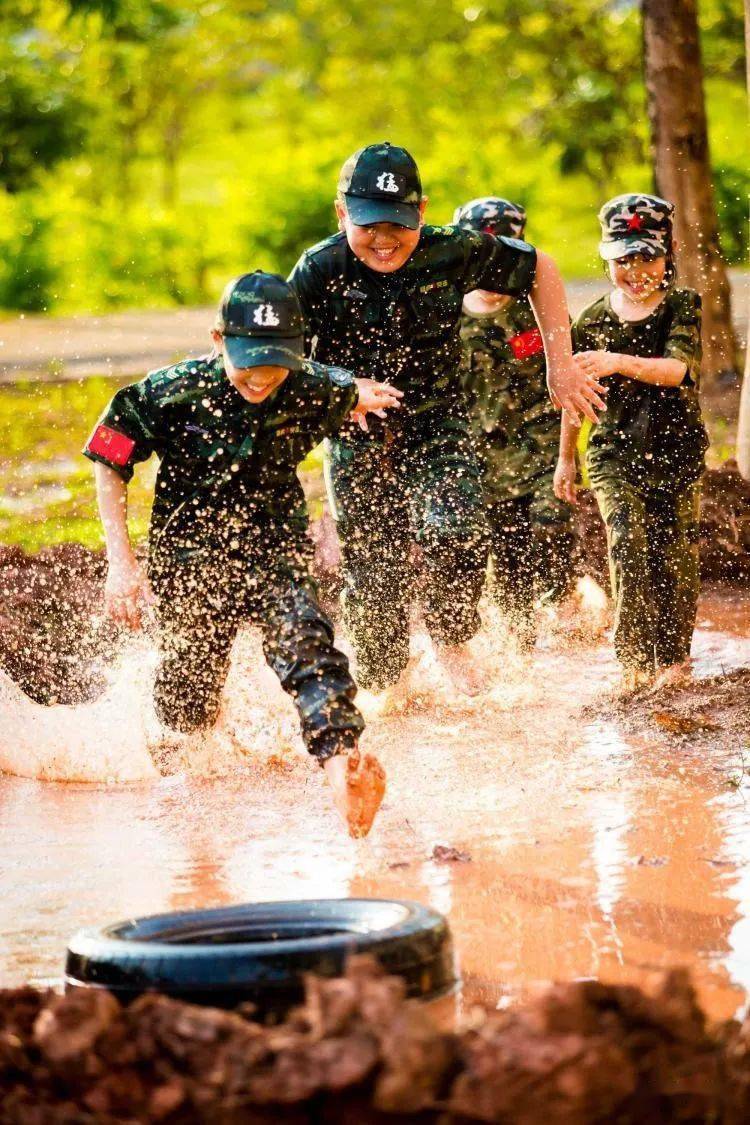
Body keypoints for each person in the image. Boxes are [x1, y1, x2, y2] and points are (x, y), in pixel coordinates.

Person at [83, 271, 402, 837]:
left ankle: (342, 768)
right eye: (247, 362)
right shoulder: (166, 393)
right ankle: (191, 802)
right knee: (188, 691)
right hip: (191, 561)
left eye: (275, 364)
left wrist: (360, 399)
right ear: (216, 339)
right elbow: (109, 461)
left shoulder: (315, 386)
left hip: (277, 553)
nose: (260, 378)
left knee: (309, 651)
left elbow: (351, 393)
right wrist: (120, 564)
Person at [289, 142, 604, 695]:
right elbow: (283, 360)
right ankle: (387, 681)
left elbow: (542, 270)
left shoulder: (452, 250)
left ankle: (452, 636)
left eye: (399, 226)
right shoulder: (318, 269)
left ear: (423, 211)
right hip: (356, 435)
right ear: (342, 214)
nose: (385, 240)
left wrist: (558, 365)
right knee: (375, 577)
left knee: (455, 529)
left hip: (437, 424)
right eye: (369, 226)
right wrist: (342, 388)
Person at [554, 194, 708, 693]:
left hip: (678, 452)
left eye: (647, 257)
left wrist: (619, 361)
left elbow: (678, 370)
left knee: (674, 553)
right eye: (624, 260)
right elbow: (575, 400)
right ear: (607, 258)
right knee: (628, 543)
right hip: (614, 456)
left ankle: (673, 660)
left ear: (670, 252)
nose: (636, 270)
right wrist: (565, 461)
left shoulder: (683, 306)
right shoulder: (591, 321)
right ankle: (633, 663)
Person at [455, 197, 575, 649]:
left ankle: (562, 614)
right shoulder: (448, 314)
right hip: (482, 455)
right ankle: (520, 643)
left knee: (551, 524)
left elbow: (572, 377)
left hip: (541, 444)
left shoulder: (539, 308)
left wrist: (568, 453)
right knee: (505, 554)